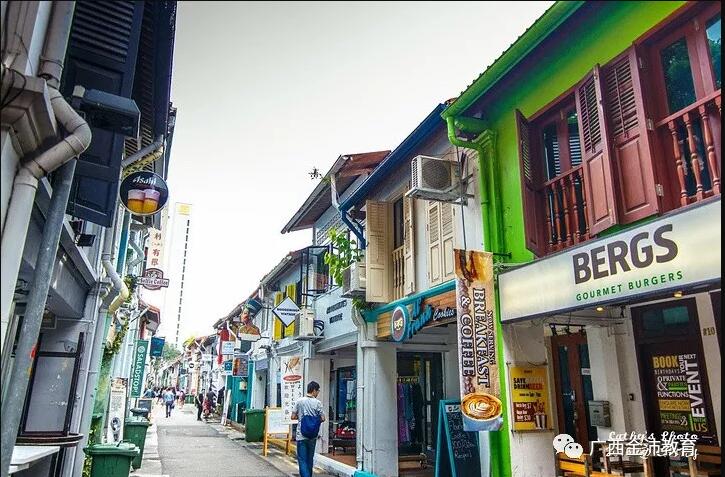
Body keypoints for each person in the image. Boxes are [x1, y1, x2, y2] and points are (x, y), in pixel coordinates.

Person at [291, 381, 325, 477]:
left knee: (302, 460)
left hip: (301, 435)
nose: (318, 393)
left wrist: (301, 418)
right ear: (314, 390)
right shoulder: (318, 403)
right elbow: (323, 418)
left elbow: (292, 416)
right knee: (310, 459)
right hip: (313, 435)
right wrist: (314, 421)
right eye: (318, 391)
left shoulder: (299, 401)